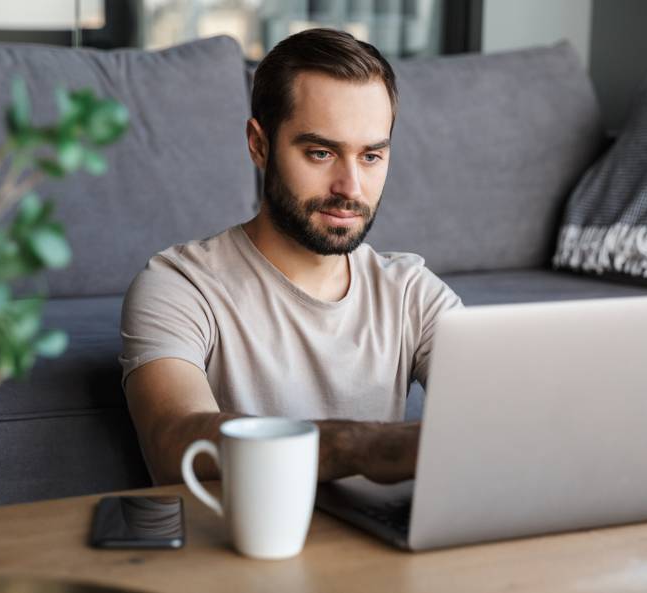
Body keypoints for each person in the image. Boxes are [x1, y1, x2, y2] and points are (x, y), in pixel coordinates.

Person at [119, 28, 463, 486]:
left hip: (382, 549)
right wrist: (361, 446)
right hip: (242, 549)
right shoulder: (180, 286)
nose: (351, 188)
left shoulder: (412, 294)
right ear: (259, 145)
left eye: (371, 156)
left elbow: (494, 422)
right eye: (321, 153)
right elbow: (173, 441)